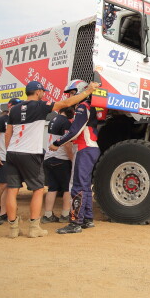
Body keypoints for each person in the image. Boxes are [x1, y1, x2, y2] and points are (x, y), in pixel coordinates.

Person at [4, 80, 99, 238]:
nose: (71, 95)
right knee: (39, 190)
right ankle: (35, 227)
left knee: (12, 191)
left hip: (13, 152)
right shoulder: (41, 106)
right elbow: (66, 103)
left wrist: (8, 151)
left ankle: (13, 228)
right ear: (38, 92)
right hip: (31, 153)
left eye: (73, 92)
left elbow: (8, 133)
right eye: (43, 92)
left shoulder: (13, 109)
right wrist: (88, 91)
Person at [51, 80, 100, 234]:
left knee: (77, 185)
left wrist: (57, 143)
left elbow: (75, 131)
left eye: (72, 93)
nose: (70, 96)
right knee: (84, 185)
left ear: (79, 91)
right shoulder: (88, 106)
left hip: (84, 148)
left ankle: (75, 223)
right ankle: (86, 219)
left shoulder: (82, 107)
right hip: (89, 148)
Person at [0, 98, 22, 225]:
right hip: (2, 158)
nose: (19, 108)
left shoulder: (19, 120)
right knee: (0, 186)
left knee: (8, 187)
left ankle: (3, 213)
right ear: (10, 106)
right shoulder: (1, 120)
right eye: (16, 106)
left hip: (13, 158)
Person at [41, 106, 74, 223]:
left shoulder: (52, 120)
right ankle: (65, 215)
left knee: (52, 188)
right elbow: (67, 144)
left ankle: (48, 215)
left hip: (48, 158)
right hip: (61, 159)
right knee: (67, 188)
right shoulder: (66, 123)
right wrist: (72, 159)